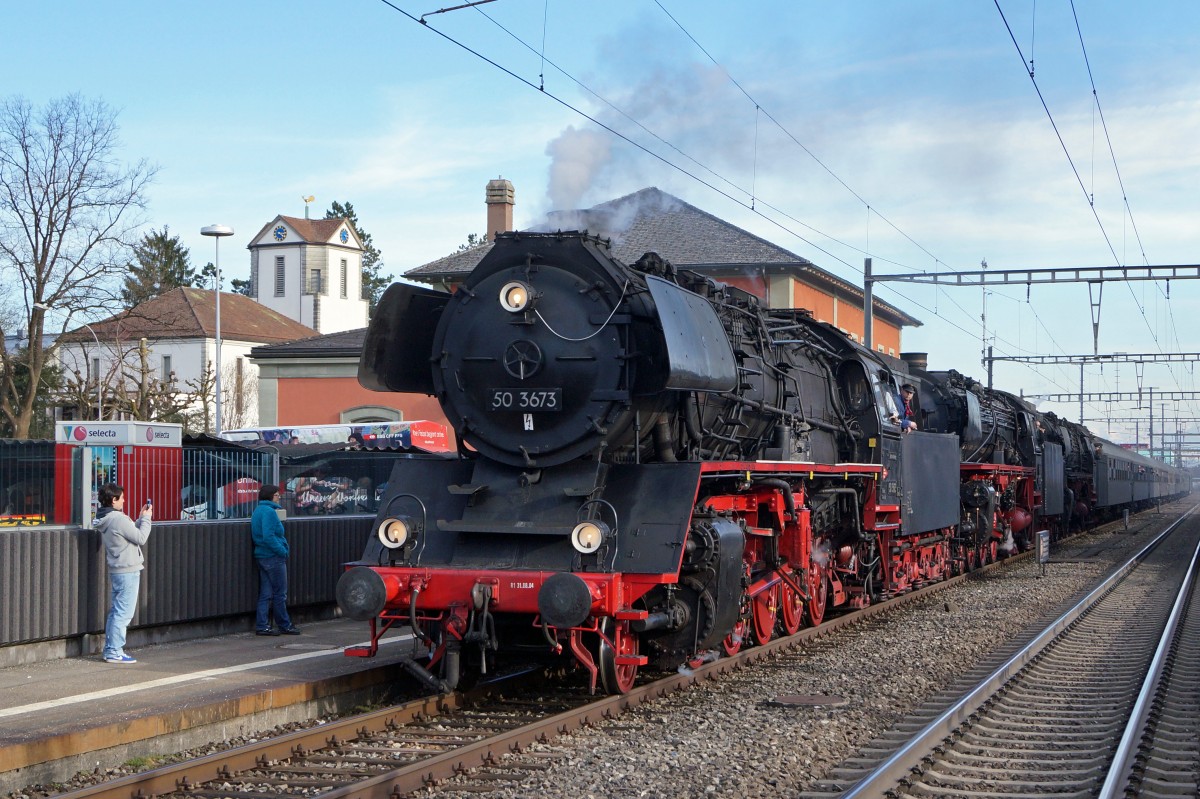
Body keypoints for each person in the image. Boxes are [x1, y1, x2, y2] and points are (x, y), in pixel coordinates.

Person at [97, 483, 152, 664]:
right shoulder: (118, 519)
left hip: (118, 570)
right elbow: (141, 538)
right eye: (121, 497)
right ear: (113, 500)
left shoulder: (107, 519)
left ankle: (110, 649)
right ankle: (114, 651)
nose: (124, 500)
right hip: (128, 570)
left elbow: (128, 534)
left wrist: (139, 518)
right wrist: (147, 519)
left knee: (116, 612)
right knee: (123, 613)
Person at [251, 484, 300, 636]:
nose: (279, 497)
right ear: (271, 496)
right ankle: (284, 625)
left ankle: (262, 625)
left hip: (261, 556)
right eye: (277, 495)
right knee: (280, 593)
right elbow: (269, 536)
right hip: (273, 557)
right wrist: (282, 551)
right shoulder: (270, 512)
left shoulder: (258, 510)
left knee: (266, 593)